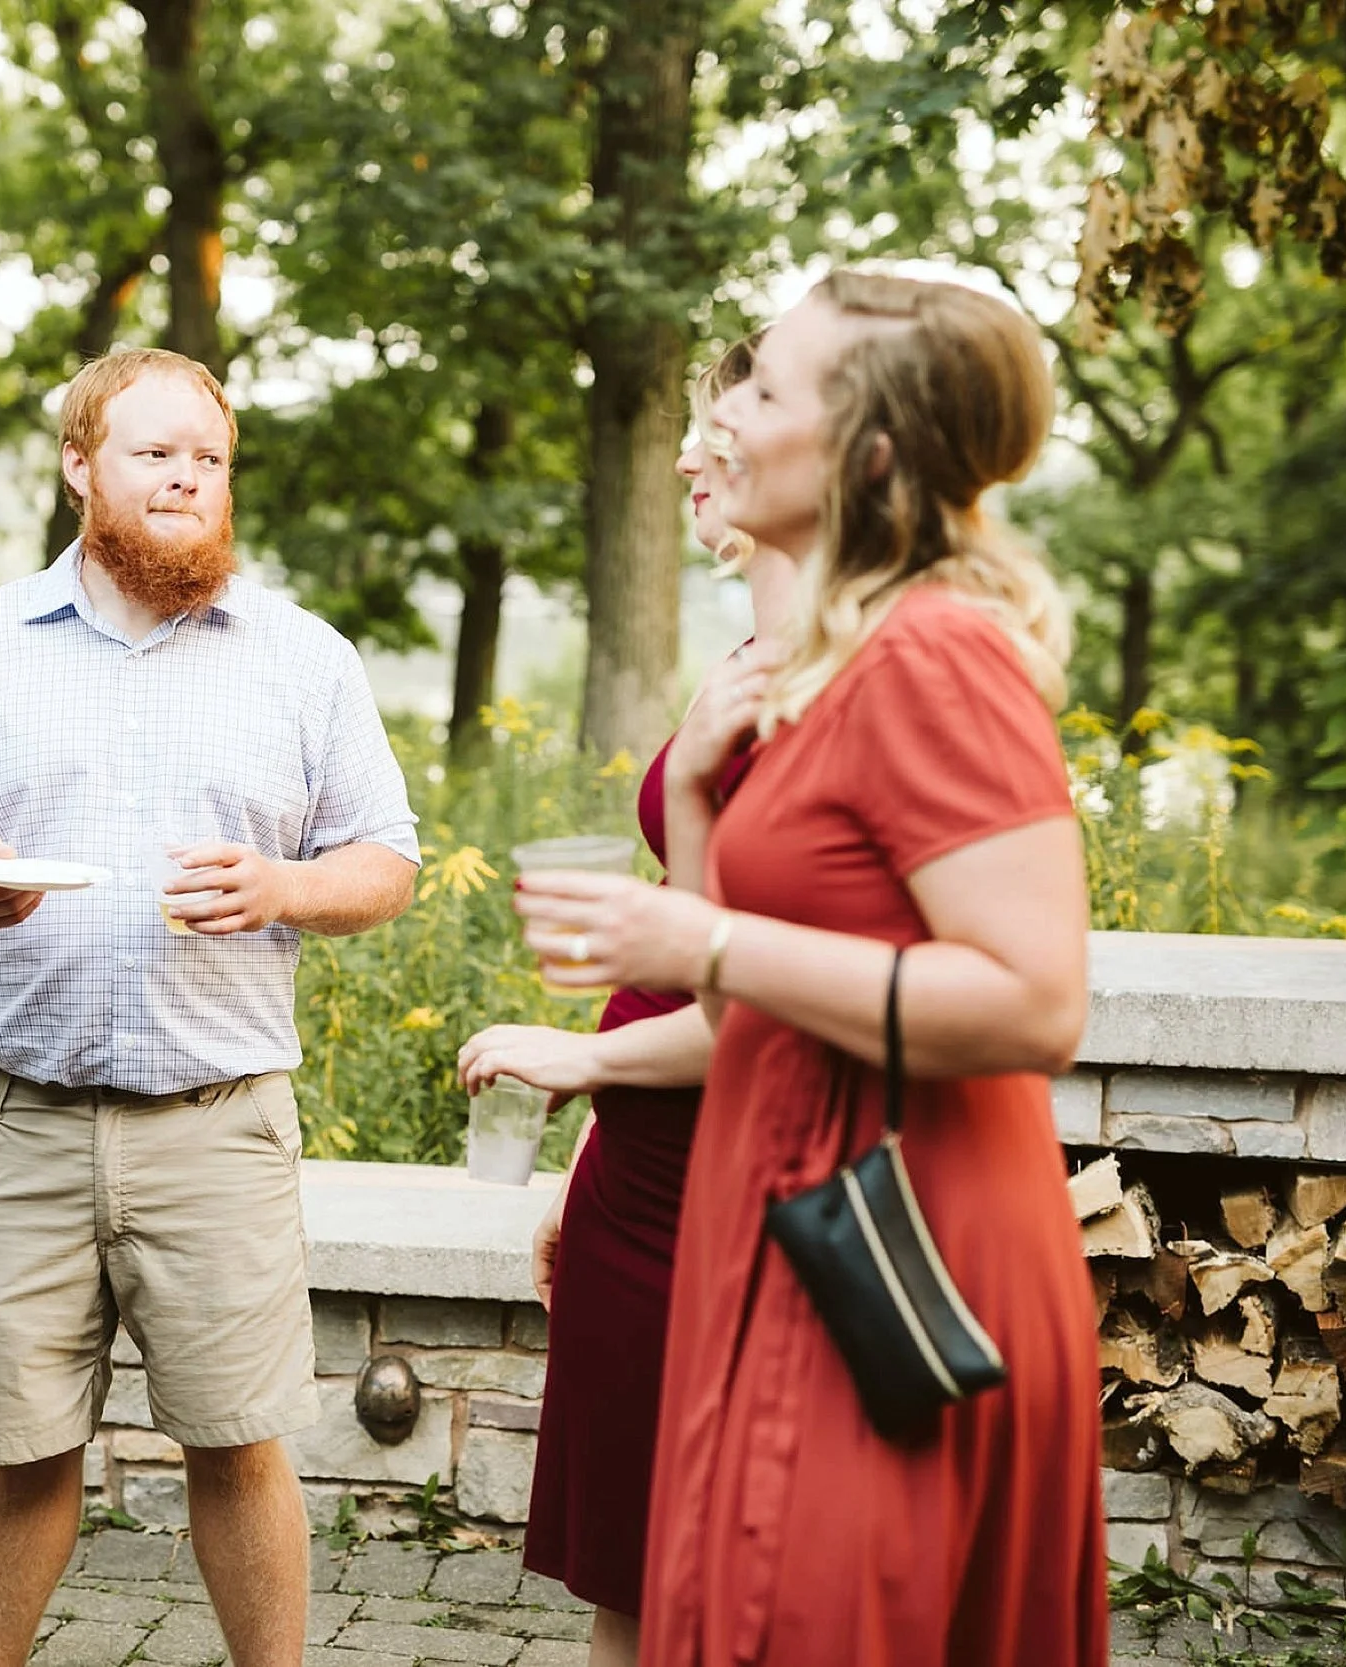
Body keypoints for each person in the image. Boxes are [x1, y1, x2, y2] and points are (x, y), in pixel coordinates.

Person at [514, 271, 1103, 1667]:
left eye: (764, 392)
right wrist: (706, 804)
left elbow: (1037, 998)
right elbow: (737, 1007)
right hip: (774, 1213)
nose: (717, 429)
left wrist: (701, 936)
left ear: (870, 453)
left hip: (893, 1242)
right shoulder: (828, 658)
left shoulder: (939, 653)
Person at [0, 347, 420, 1667]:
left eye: (206, 458)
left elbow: (385, 855)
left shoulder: (300, 656)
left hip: (217, 1125)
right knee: (24, 1449)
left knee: (235, 1438)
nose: (184, 477)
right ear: (78, 464)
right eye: (154, 451)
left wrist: (284, 882)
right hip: (24, 1124)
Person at [453, 337, 795, 1667]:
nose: (682, 458)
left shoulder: (816, 682)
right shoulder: (747, 654)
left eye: (715, 427)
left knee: (730, 1580)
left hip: (732, 1187)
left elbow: (763, 994)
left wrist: (573, 1059)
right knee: (631, 1579)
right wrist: (585, 1164)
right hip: (638, 1176)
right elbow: (689, 931)